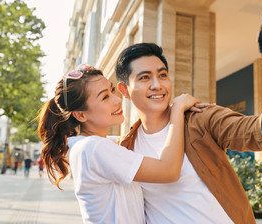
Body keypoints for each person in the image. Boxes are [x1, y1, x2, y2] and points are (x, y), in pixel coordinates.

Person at [115, 12, 262, 224]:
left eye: (162, 75)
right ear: (124, 90)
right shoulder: (125, 147)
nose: (157, 85)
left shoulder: (200, 118)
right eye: (144, 77)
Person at [37, 64, 204, 223]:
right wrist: (177, 111)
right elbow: (168, 171)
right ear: (81, 115)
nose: (117, 100)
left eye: (112, 90)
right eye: (104, 97)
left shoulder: (97, 145)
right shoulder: (93, 148)